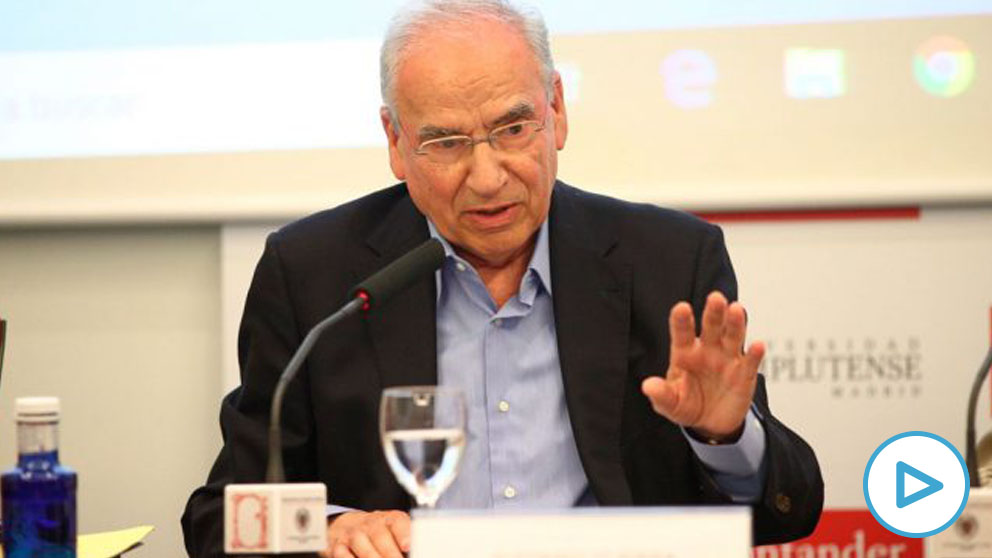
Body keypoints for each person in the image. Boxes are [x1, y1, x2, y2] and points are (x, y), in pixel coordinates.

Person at [182, 2, 823, 557]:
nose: (487, 177)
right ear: (396, 141)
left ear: (558, 110)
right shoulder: (313, 275)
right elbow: (220, 517)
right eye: (447, 143)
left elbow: (788, 511)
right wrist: (329, 528)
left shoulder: (669, 260)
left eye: (513, 129)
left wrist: (723, 436)